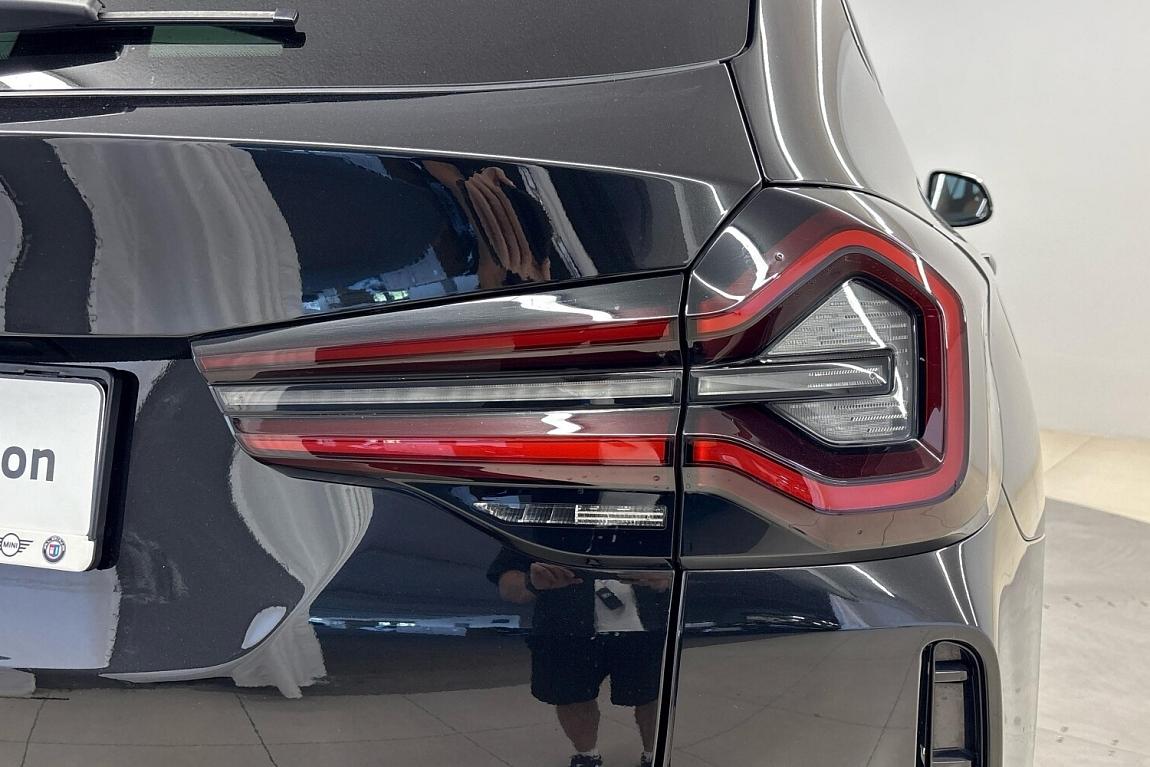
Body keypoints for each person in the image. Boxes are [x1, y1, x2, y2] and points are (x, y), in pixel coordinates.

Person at [488, 548, 671, 767]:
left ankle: (653, 755)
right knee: (571, 697)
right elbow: (508, 585)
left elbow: (686, 568)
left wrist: (668, 578)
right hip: (565, 627)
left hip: (647, 626)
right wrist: (531, 582)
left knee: (653, 696)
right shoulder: (543, 528)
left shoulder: (654, 527)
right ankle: (587, 756)